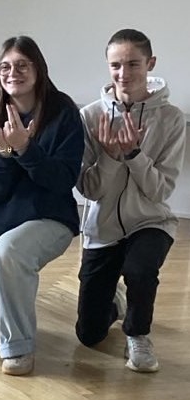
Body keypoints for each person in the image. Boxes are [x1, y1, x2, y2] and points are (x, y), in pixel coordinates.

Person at [0, 36, 85, 376]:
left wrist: (26, 149)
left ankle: (19, 348)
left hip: (49, 219)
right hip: (1, 222)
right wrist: (3, 151)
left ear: (38, 69)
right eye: (5, 66)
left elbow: (62, 180)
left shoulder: (64, 113)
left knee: (7, 255)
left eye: (21, 65)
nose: (12, 72)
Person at [75, 29, 186, 373]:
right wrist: (110, 157)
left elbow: (160, 191)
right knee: (88, 335)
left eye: (133, 64)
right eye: (116, 65)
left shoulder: (171, 118)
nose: (124, 74)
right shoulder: (90, 116)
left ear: (150, 63)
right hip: (102, 228)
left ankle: (138, 334)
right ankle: (115, 304)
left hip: (151, 221)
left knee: (140, 270)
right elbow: (89, 190)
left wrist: (134, 155)